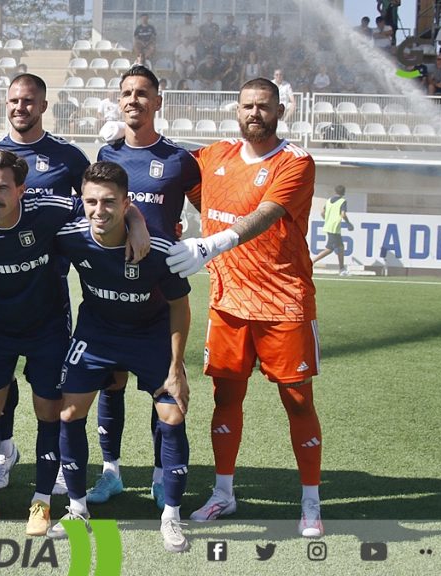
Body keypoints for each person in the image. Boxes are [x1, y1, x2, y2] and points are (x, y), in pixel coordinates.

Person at [0, 150, 150, 535]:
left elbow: (102, 204)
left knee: (48, 412)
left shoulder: (48, 208)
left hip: (48, 328)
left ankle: (41, 501)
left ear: (21, 189)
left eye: (2, 187)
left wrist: (137, 221)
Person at [166, 77, 324, 538]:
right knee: (226, 397)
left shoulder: (295, 162)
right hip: (229, 302)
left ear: (279, 111)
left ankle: (310, 502)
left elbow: (267, 214)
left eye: (263, 106)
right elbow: (172, 171)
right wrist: (125, 140)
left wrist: (211, 243)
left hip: (284, 303)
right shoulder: (214, 156)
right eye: (247, 106)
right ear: (236, 110)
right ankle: (223, 493)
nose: (254, 113)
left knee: (297, 402)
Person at [49, 161, 192, 554]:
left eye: (110, 202)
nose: (99, 210)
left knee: (172, 413)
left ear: (127, 202)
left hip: (150, 335)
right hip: (97, 334)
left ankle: (171, 514)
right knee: (69, 413)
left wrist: (177, 367)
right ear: (82, 201)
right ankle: (77, 508)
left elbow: (180, 308)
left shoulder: (158, 248)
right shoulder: (71, 235)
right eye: (91, 201)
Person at [0, 73, 91, 497]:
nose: (21, 107)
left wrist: (133, 221)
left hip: (47, 293)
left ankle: (50, 472)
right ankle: (0, 456)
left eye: (29, 101)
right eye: (14, 100)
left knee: (49, 398)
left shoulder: (67, 158)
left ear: (43, 104)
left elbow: (94, 200)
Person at [93, 65, 201, 509]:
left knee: (164, 388)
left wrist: (198, 243)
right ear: (119, 102)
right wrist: (133, 220)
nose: (133, 100)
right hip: (112, 290)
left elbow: (210, 209)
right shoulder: (107, 153)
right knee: (110, 383)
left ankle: (160, 476)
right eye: (126, 93)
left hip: (161, 294)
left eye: (141, 93)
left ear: (158, 101)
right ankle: (111, 473)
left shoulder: (179, 159)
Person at [311, 185, 354, 275]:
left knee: (340, 247)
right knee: (329, 249)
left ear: (335, 191)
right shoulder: (342, 201)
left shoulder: (329, 200)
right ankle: (311, 262)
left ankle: (342, 269)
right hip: (334, 228)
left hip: (329, 226)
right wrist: (349, 224)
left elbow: (322, 213)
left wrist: (328, 220)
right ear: (344, 192)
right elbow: (343, 214)